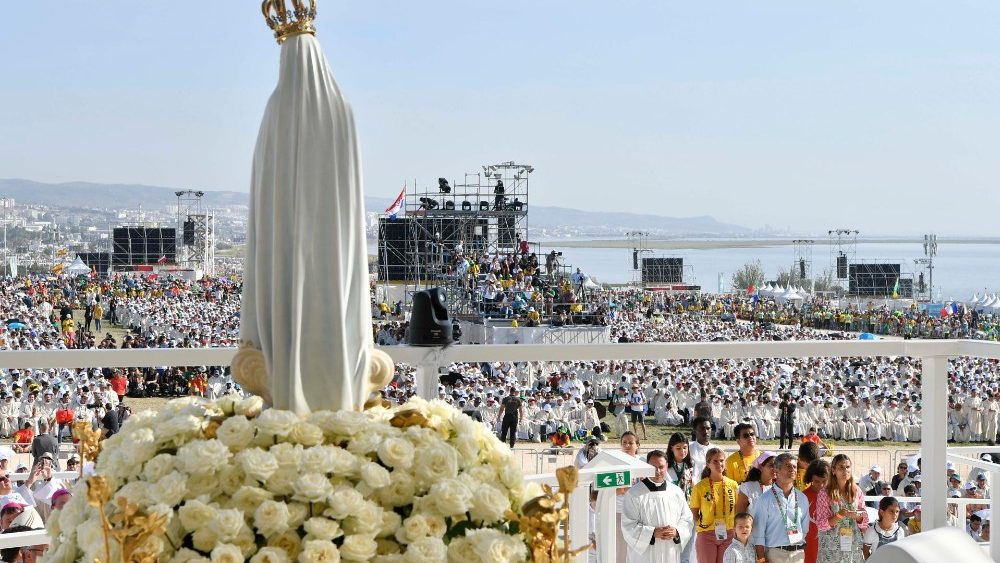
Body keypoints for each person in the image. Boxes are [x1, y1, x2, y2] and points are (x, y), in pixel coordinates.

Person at [621, 450, 695, 563]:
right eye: (653, 467)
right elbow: (628, 525)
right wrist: (652, 533)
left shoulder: (676, 491)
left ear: (667, 467)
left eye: (661, 467)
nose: (657, 471)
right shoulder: (634, 493)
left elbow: (687, 519)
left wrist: (677, 531)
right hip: (645, 555)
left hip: (669, 550)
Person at [751, 452, 811, 562]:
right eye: (788, 466)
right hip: (775, 554)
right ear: (776, 470)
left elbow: (805, 529)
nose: (792, 469)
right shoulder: (764, 499)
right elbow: (758, 534)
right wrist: (761, 560)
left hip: (798, 555)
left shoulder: (802, 498)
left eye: (794, 466)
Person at [814, 454, 869, 563]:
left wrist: (858, 517)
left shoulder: (857, 491)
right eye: (841, 467)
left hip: (853, 544)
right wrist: (840, 515)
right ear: (833, 470)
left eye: (848, 467)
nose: (845, 470)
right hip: (831, 547)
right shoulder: (825, 493)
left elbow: (864, 521)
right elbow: (821, 524)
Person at [690, 447, 738, 563]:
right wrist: (702, 527)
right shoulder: (700, 487)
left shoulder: (733, 485)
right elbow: (694, 512)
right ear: (708, 464)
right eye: (715, 461)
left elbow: (737, 509)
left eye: (721, 460)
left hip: (728, 533)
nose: (719, 464)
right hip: (707, 535)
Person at [666, 432, 696, 563]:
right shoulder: (665, 467)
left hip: (689, 513)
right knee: (671, 552)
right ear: (671, 448)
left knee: (686, 552)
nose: (682, 451)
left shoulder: (691, 465)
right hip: (671, 514)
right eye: (678, 448)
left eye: (685, 447)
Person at [802, 460, 831, 563]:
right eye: (817, 481)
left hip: (830, 544)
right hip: (809, 545)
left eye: (824, 481)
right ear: (810, 478)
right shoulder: (802, 497)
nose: (821, 485)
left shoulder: (834, 496)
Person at [690, 417, 715, 481]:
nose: (706, 431)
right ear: (694, 431)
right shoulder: (687, 449)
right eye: (702, 428)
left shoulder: (716, 450)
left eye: (708, 428)